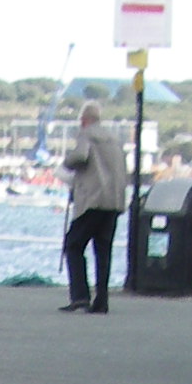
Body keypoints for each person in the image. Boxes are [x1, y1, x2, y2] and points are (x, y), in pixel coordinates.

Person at [58, 100, 127, 315]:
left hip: (92, 200)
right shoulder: (115, 138)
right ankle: (102, 300)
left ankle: (80, 296)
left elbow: (80, 156)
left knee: (73, 245)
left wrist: (67, 162)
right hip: (113, 201)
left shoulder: (87, 134)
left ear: (84, 120)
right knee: (103, 250)